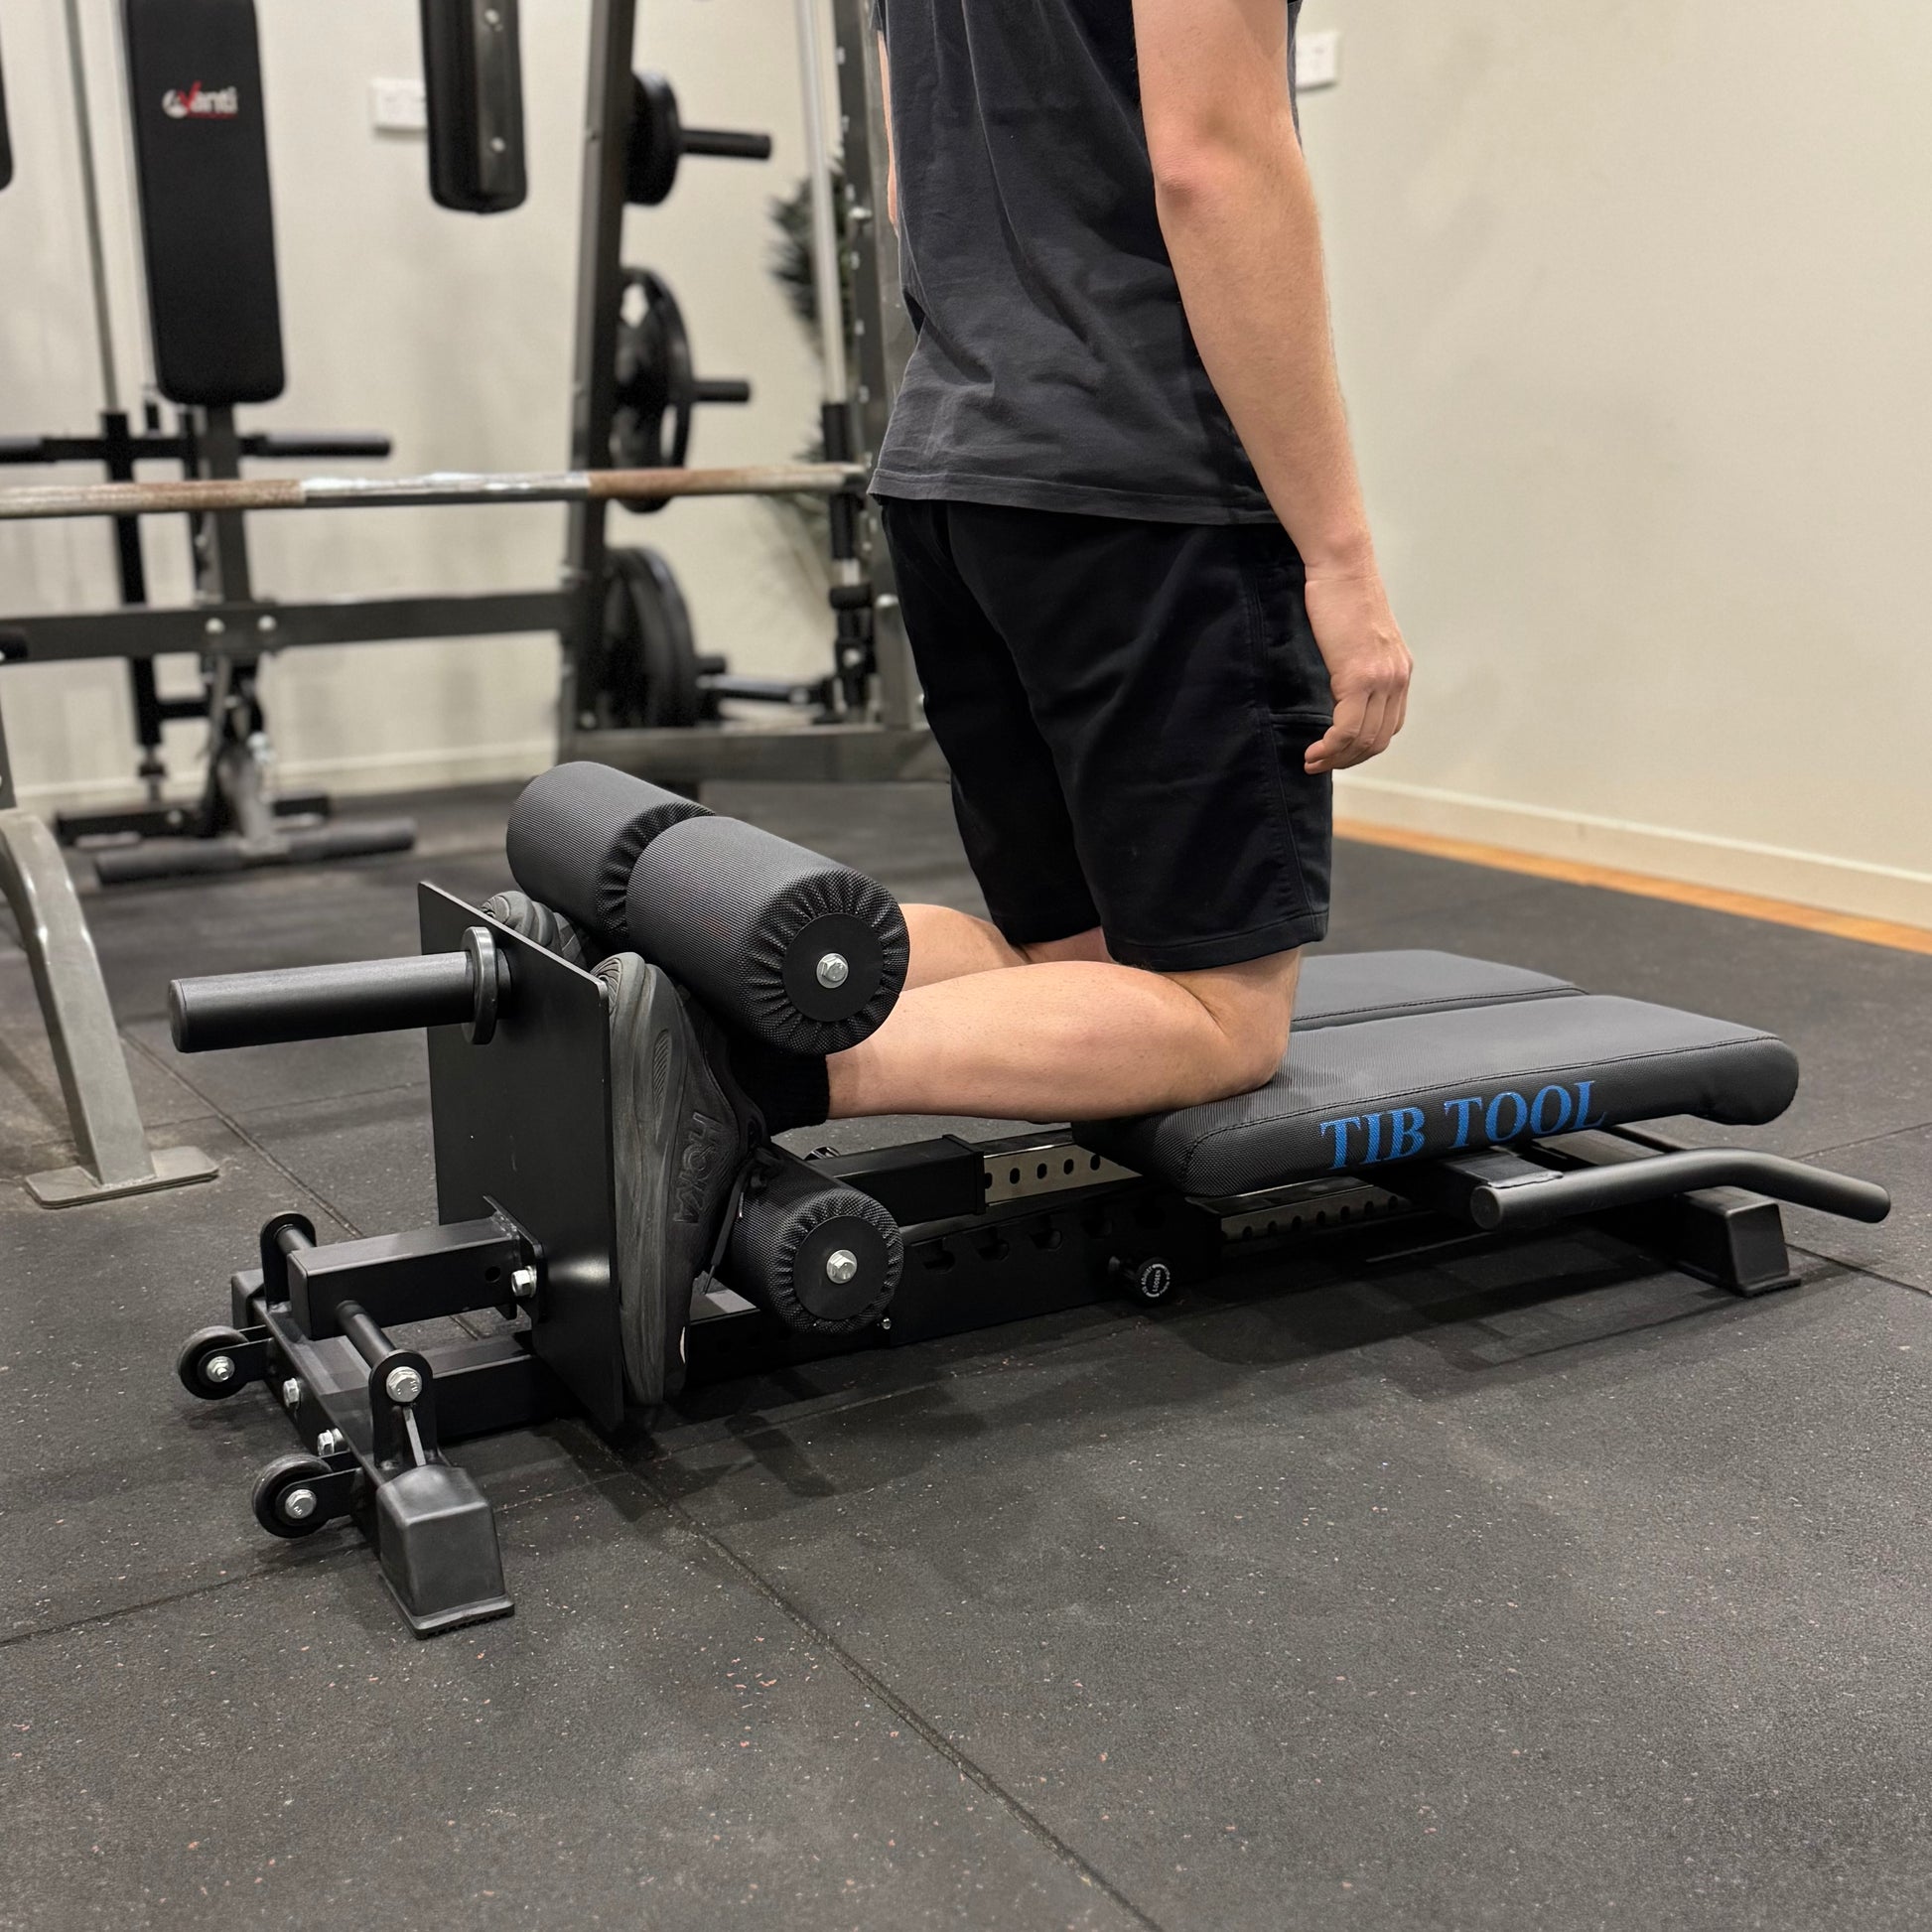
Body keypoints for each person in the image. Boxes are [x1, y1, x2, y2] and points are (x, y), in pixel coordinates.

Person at [512, 0, 1415, 1402]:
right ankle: (745, 1075)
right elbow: (1211, 163)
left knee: (1078, 967)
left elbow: (899, 179)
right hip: (1141, 482)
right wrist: (1339, 560)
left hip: (955, 469)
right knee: (1219, 1021)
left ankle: (666, 987)